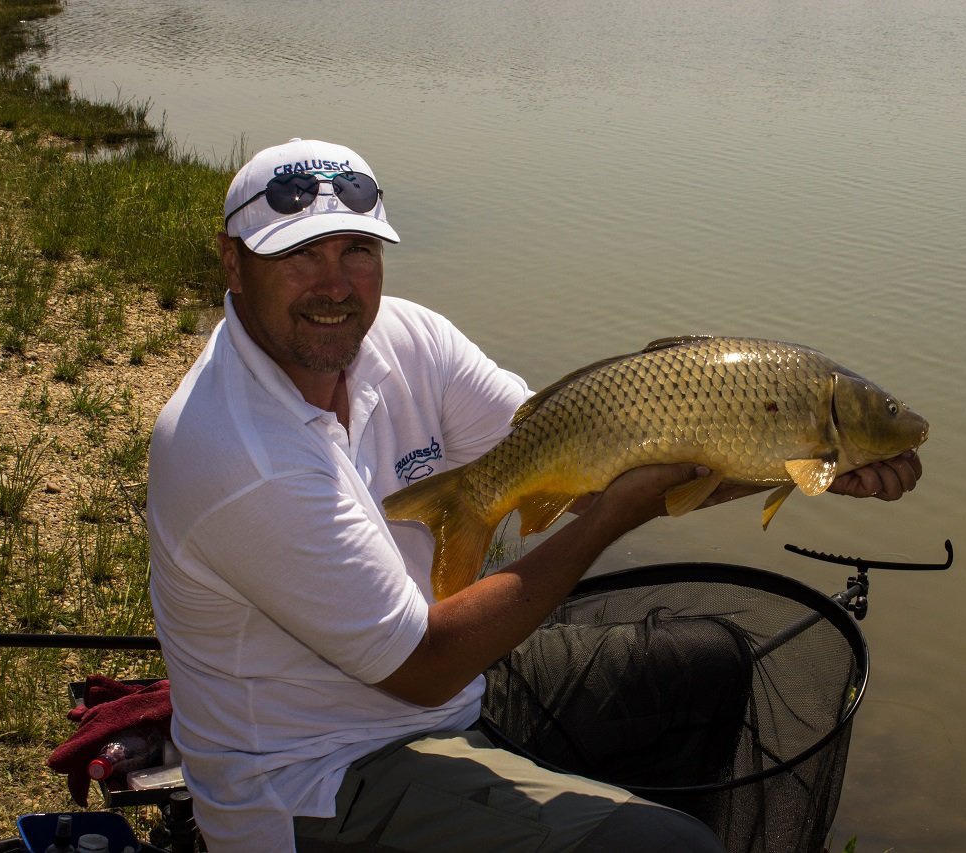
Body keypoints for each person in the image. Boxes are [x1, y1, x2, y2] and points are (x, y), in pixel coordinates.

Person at [147, 137, 922, 852]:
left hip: (445, 695)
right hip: (316, 779)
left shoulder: (406, 339)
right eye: (300, 254)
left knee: (709, 666)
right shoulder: (237, 452)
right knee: (671, 849)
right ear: (232, 261)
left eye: (357, 250)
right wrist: (616, 519)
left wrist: (791, 461)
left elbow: (580, 471)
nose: (335, 284)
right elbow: (425, 665)